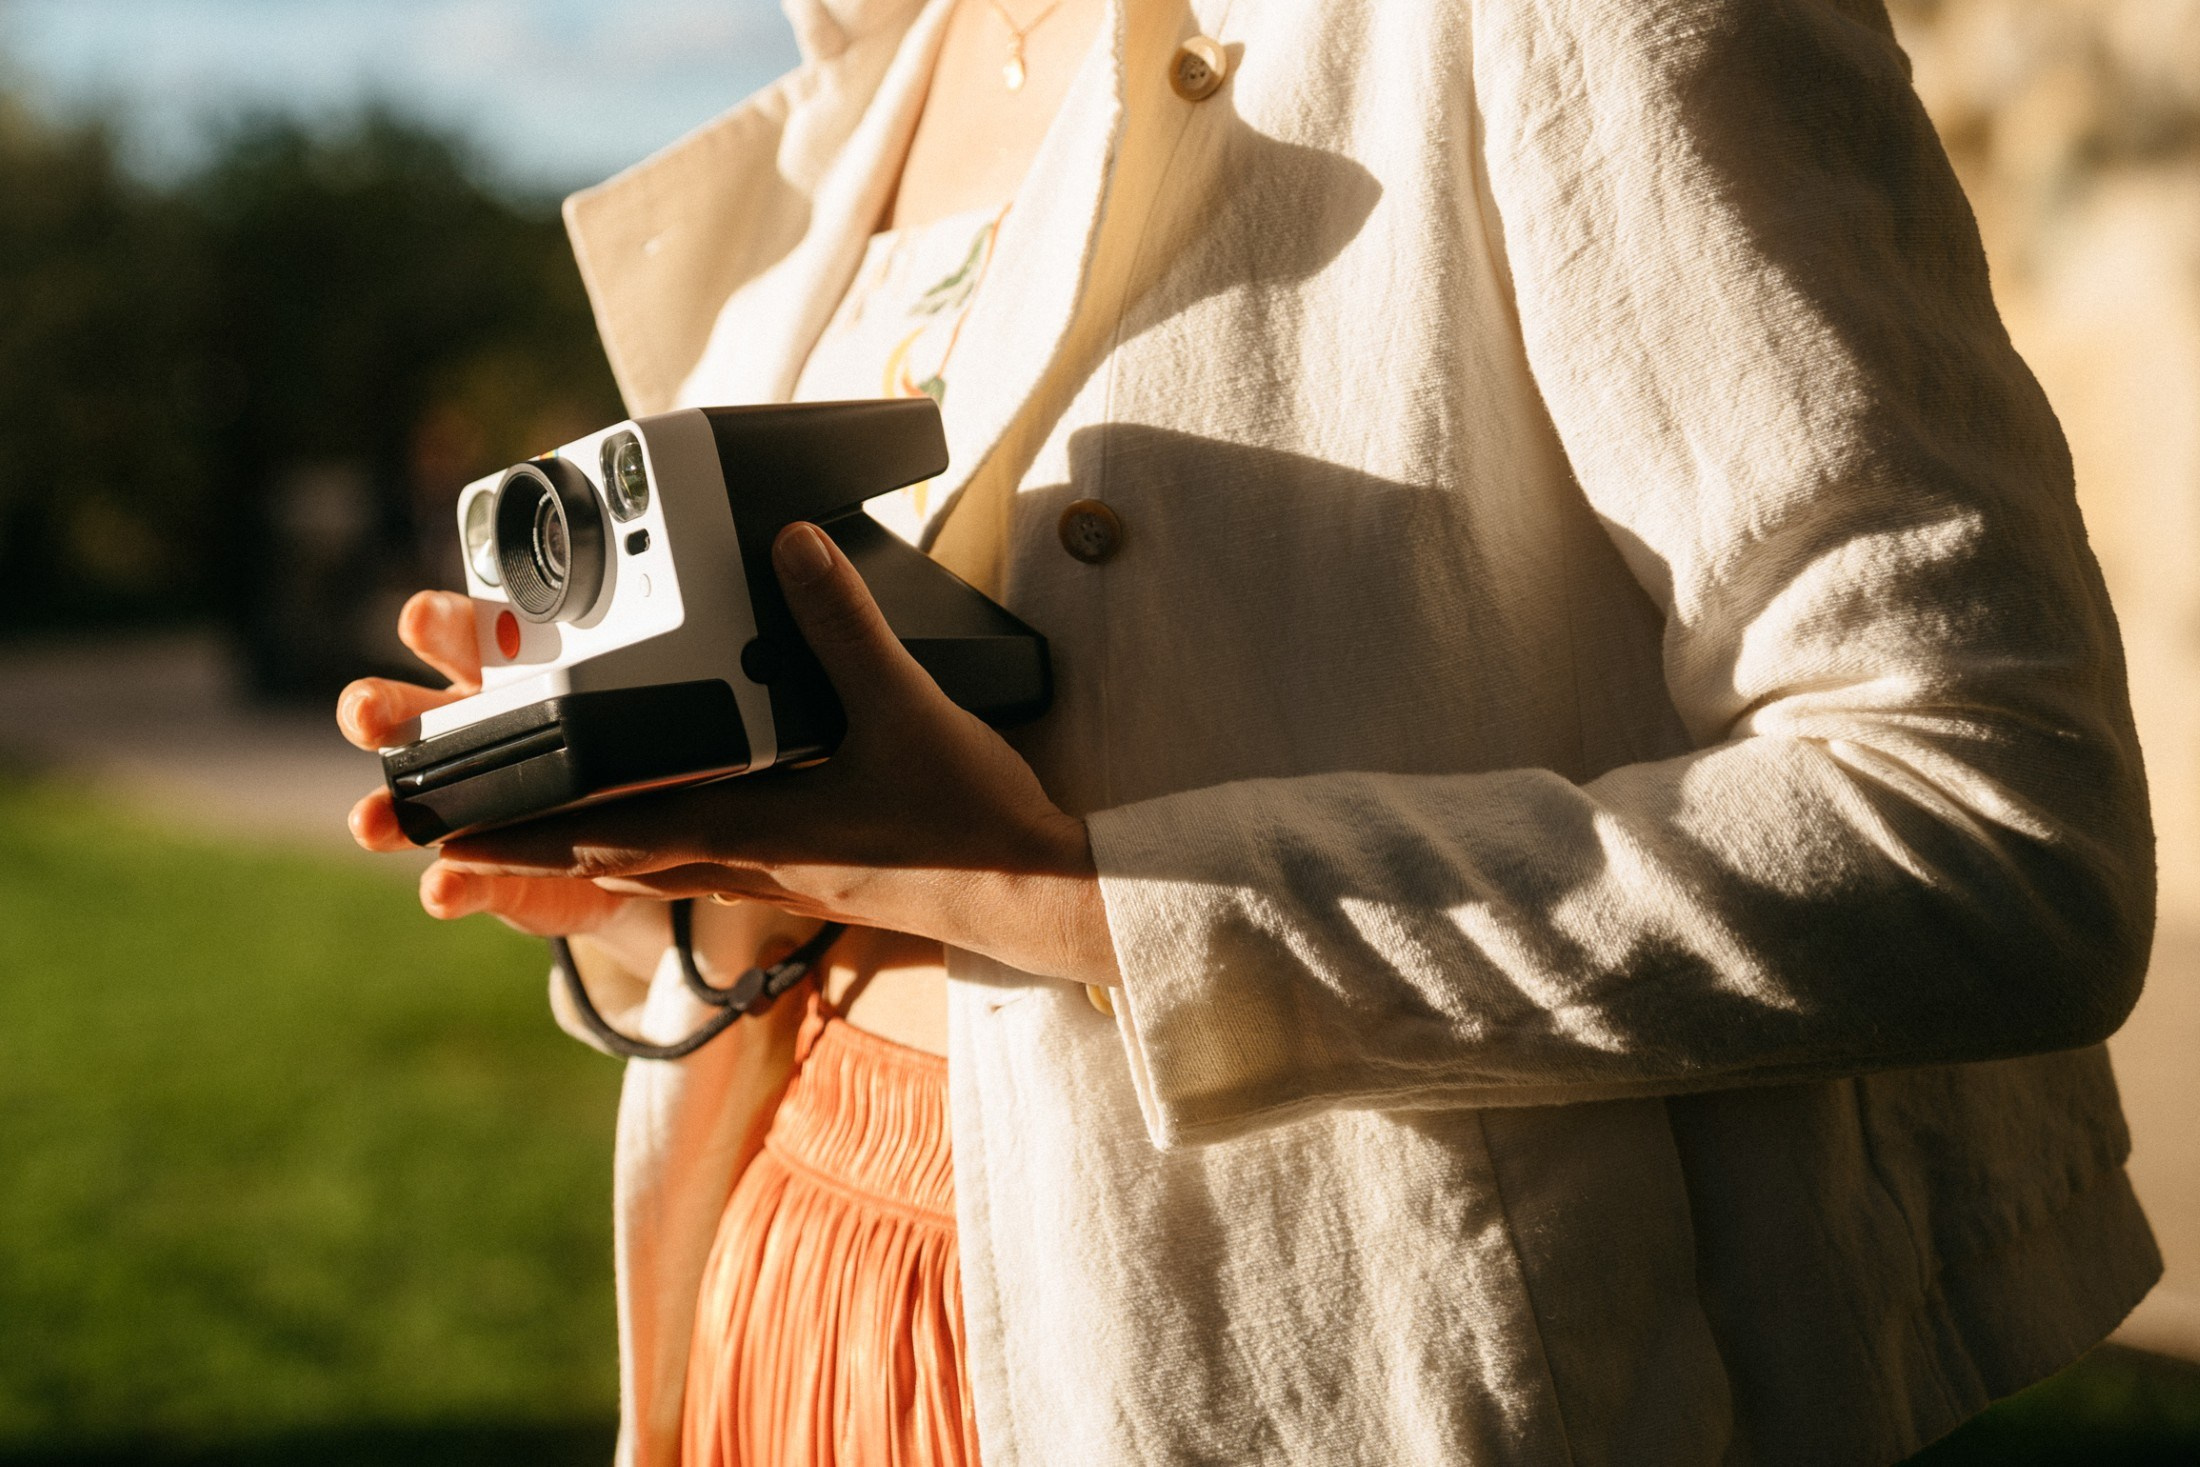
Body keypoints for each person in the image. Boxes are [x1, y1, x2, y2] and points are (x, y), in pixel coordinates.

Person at [338, 0, 2163, 1462]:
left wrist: (1069, 893)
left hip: (1302, 1378)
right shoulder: (873, 75)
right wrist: (686, 869)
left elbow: (1984, 826)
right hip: (797, 1303)